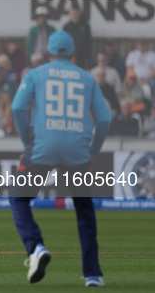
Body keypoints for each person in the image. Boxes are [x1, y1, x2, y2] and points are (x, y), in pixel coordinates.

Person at [10, 30, 111, 287]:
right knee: (84, 210)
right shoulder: (88, 79)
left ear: (48, 53)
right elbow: (105, 119)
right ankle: (92, 274)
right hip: (77, 150)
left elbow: (17, 107)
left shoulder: (35, 74)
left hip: (43, 146)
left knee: (19, 198)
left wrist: (27, 142)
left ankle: (35, 247)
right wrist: (93, 151)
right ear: (74, 53)